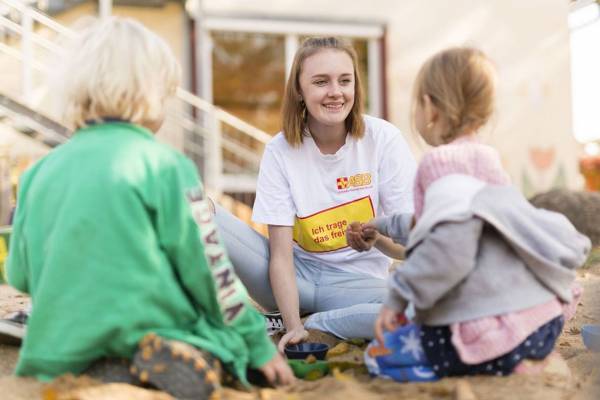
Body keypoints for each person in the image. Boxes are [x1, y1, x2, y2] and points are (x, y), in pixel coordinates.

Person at [5, 17, 293, 398]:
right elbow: (210, 275)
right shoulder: (165, 167)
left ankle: (97, 364)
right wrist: (256, 344)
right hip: (147, 330)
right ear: (148, 93)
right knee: (221, 344)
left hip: (58, 349)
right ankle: (161, 358)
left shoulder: (37, 173)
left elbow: (20, 275)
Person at [347, 47, 590, 381]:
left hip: (496, 331)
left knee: (379, 356)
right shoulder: (485, 163)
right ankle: (521, 361)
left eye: (417, 103)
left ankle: (501, 362)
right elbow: (428, 221)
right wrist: (381, 225)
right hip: (541, 321)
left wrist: (397, 298)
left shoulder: (440, 165)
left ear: (430, 107)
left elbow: (448, 252)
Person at [213, 37, 417, 351]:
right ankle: (287, 316)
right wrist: (293, 329)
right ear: (299, 90)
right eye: (321, 82)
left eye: (344, 81)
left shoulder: (384, 140)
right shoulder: (280, 151)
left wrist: (376, 238)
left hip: (358, 286)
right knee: (196, 208)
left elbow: (410, 248)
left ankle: (317, 321)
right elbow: (280, 258)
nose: (335, 92)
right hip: (292, 280)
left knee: (421, 308)